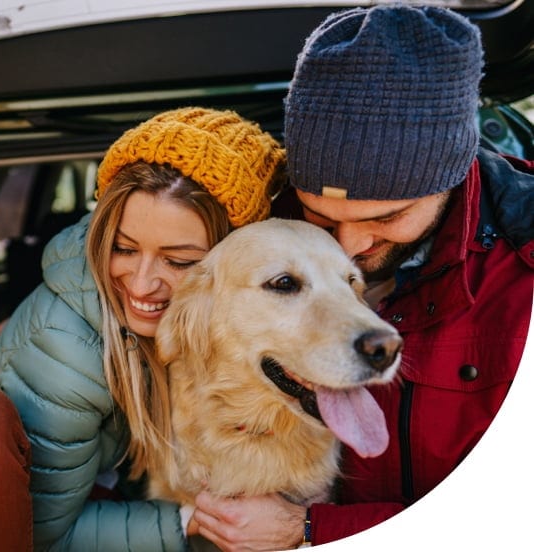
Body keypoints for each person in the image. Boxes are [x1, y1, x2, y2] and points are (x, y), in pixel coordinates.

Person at [188, 5, 533, 549]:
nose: (350, 246)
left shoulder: (523, 265)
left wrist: (310, 532)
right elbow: (142, 257)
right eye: (322, 218)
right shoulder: (256, 232)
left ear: (451, 175)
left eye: (385, 218)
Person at [0, 106, 285, 551]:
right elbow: (48, 534)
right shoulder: (68, 352)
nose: (143, 283)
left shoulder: (241, 317)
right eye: (124, 248)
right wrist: (196, 520)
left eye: (179, 261)